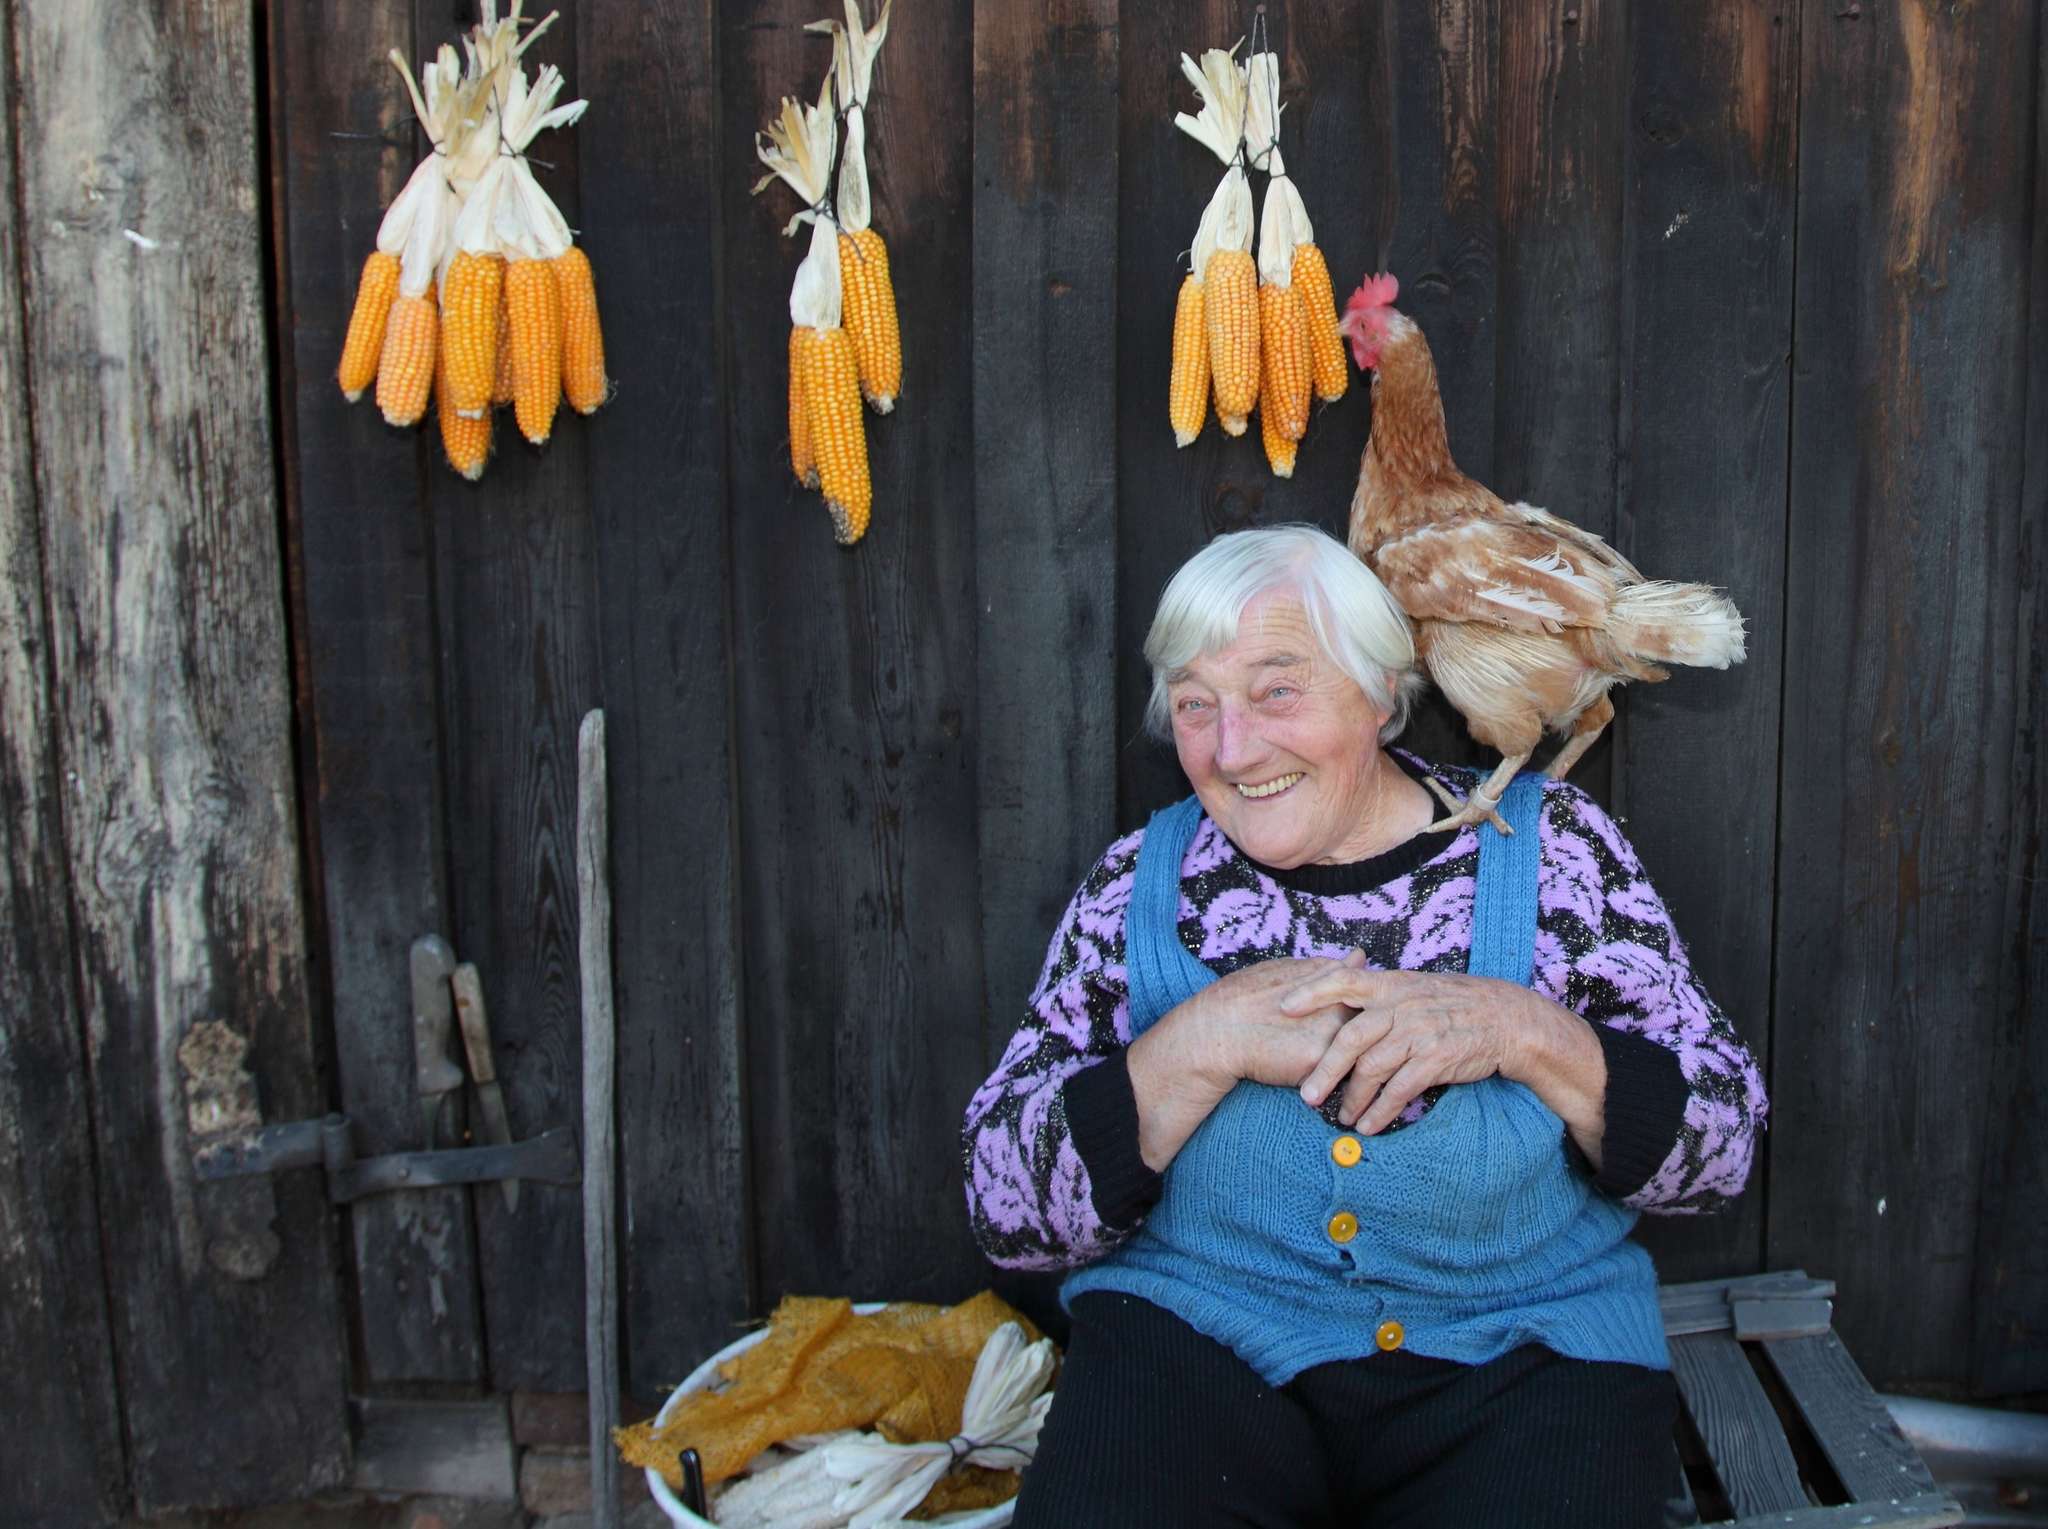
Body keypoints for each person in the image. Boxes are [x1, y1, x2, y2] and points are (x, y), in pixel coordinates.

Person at [961, 524, 1767, 1528]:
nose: (1231, 748)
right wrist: (1193, 1044)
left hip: (1520, 1354)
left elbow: (1721, 1148)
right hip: (1197, 1346)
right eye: (1195, 704)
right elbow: (1006, 1209)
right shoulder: (1140, 885)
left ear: (1383, 693)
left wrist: (1526, 1031)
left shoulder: (1546, 853)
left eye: (1276, 690)